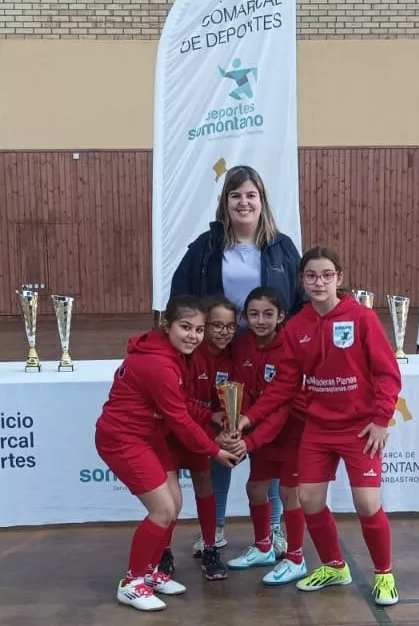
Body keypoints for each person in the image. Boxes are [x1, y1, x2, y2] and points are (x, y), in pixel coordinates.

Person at [238, 247, 401, 606]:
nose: (319, 282)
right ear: (302, 281)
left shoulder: (362, 318)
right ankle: (333, 566)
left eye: (326, 275)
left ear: (339, 278)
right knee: (309, 499)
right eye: (311, 276)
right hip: (318, 428)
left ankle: (384, 574)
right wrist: (249, 417)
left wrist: (379, 420)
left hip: (359, 428)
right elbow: (284, 384)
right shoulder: (297, 327)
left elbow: (387, 373)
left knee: (367, 502)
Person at [169, 164, 302, 559]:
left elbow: (296, 305)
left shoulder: (282, 248)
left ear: (262, 202)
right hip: (220, 356)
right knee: (222, 435)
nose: (243, 202)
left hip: (268, 358)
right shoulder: (206, 248)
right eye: (235, 195)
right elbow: (181, 299)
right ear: (225, 203)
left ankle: (274, 528)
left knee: (270, 440)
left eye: (251, 195)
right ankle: (218, 526)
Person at [94, 295, 241, 612]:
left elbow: (183, 403)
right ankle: (132, 582)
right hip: (123, 438)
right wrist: (215, 450)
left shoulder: (175, 355)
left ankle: (151, 572)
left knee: (174, 503)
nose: (193, 336)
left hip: (150, 435)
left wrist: (209, 417)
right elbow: (179, 420)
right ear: (167, 325)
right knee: (162, 509)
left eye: (199, 330)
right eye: (185, 327)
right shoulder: (158, 363)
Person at [219, 287, 310, 586]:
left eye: (268, 314)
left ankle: (296, 557)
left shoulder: (290, 348)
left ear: (281, 316)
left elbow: (281, 405)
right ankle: (263, 548)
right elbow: (239, 389)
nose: (260, 320)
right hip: (260, 430)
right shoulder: (242, 345)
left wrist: (248, 439)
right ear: (245, 316)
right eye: (254, 314)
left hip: (293, 432)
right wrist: (236, 425)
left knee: (289, 493)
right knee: (256, 489)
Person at [165, 295, 237, 582]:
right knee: (169, 498)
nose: (222, 332)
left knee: (204, 484)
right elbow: (181, 403)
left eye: (229, 326)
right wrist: (210, 416)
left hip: (201, 431)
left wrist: (226, 418)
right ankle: (164, 552)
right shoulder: (189, 353)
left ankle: (210, 547)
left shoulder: (233, 356)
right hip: (174, 431)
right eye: (215, 325)